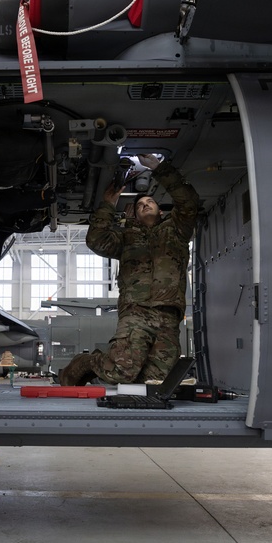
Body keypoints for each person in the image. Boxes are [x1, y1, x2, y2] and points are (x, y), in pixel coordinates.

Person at [59, 154, 199, 386]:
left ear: (161, 211)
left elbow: (189, 203)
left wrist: (159, 167)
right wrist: (108, 205)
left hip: (169, 316)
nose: (145, 205)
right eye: (140, 205)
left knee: (157, 382)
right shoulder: (126, 238)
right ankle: (83, 363)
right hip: (136, 312)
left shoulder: (176, 231)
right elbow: (96, 240)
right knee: (120, 373)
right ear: (133, 213)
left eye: (150, 203)